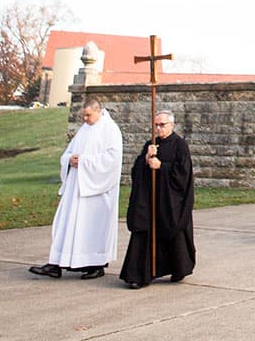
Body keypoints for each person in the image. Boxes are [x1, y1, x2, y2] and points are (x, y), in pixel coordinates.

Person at [30, 97, 123, 280]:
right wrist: (70, 159)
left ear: (98, 111)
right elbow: (69, 152)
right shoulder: (85, 129)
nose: (85, 119)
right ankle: (56, 263)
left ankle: (95, 265)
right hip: (75, 188)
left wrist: (85, 162)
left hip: (96, 192)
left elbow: (112, 159)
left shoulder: (110, 130)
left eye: (88, 115)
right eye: (83, 116)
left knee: (91, 228)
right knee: (65, 223)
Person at [119, 111, 196, 289]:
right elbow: (136, 171)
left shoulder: (180, 145)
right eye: (156, 125)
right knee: (145, 231)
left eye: (162, 125)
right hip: (150, 200)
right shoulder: (150, 144)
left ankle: (178, 268)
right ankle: (140, 274)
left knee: (173, 233)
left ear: (171, 125)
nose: (158, 128)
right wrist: (146, 159)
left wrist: (162, 166)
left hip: (170, 202)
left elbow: (183, 174)